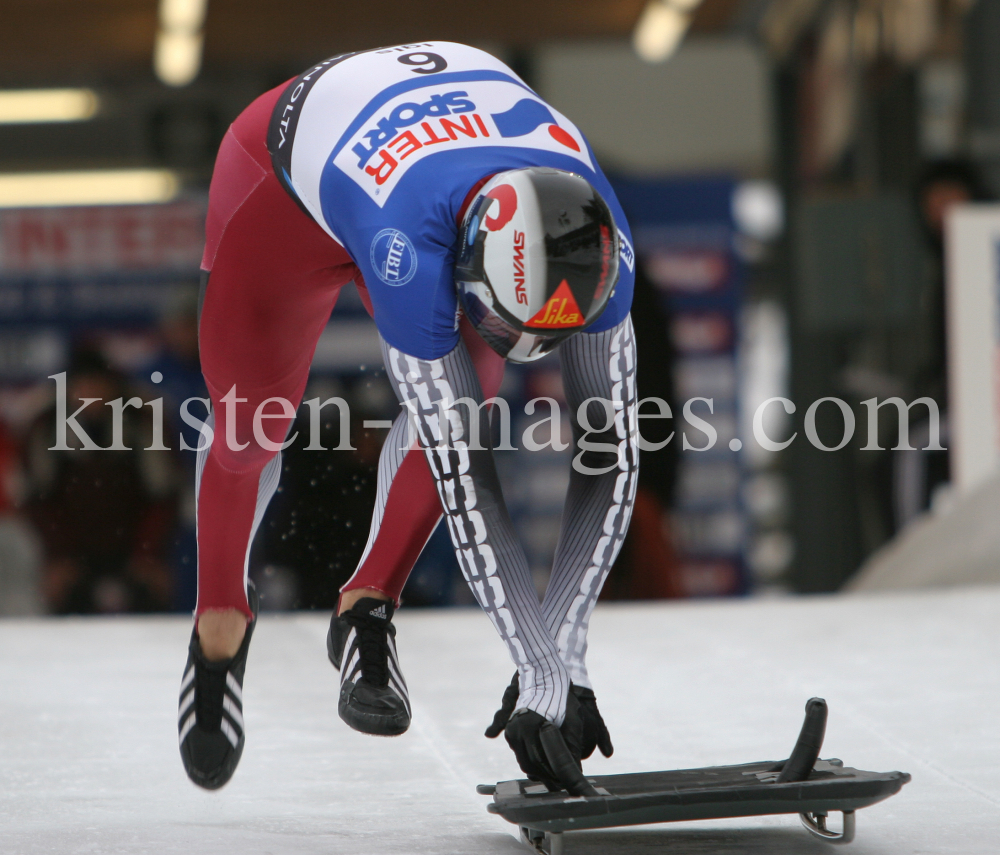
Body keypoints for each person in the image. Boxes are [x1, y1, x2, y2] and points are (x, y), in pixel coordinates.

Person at [178, 42, 637, 796]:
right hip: (282, 188)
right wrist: (537, 666)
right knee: (252, 424)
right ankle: (220, 620)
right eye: (491, 316)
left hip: (420, 152)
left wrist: (566, 662)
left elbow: (609, 452)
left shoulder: (600, 239)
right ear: (464, 269)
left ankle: (365, 611)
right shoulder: (412, 247)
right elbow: (466, 474)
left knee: (472, 389)